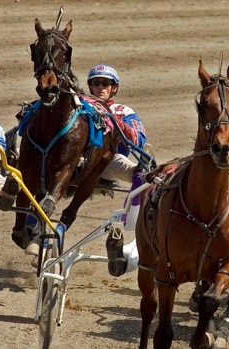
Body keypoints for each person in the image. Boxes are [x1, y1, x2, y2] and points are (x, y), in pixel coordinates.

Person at [86, 64, 148, 277]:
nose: (100, 87)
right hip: (77, 160)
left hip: (110, 160)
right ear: (90, 87)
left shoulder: (124, 111)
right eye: (95, 83)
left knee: (145, 174)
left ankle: (124, 226)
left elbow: (139, 140)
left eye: (105, 83)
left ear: (114, 88)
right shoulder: (80, 105)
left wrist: (117, 122)